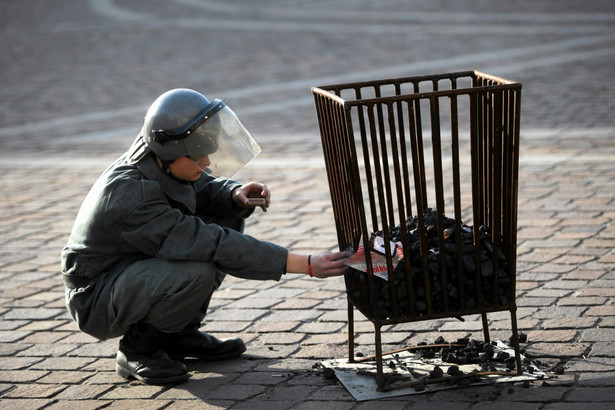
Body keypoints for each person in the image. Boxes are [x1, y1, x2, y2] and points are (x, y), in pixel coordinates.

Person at [61, 88, 350, 385]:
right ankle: (139, 350)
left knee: (228, 212)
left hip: (127, 270)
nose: (208, 163)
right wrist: (305, 264)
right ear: (171, 155)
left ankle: (177, 335)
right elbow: (210, 242)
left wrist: (233, 193)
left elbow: (194, 187)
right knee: (197, 269)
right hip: (96, 296)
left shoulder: (158, 156)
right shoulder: (135, 195)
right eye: (199, 157)